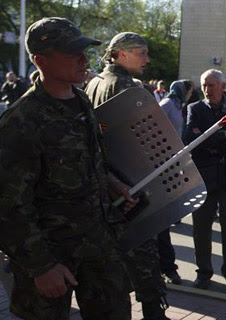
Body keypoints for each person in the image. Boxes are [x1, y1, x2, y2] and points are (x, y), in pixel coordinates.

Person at [0, 17, 134, 319]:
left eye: (83, 50)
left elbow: (87, 159)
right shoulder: (21, 120)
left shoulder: (81, 100)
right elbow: (9, 205)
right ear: (41, 61)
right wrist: (41, 266)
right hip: (51, 255)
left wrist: (111, 183)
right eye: (72, 52)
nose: (83, 59)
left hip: (98, 248)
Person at [85, 31, 172, 320]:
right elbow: (151, 144)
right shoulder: (131, 88)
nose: (147, 59)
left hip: (105, 189)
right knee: (146, 271)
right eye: (142, 52)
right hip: (135, 193)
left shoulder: (94, 83)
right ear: (122, 54)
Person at [183, 69, 226, 293]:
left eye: (211, 85)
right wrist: (224, 137)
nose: (206, 90)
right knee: (201, 229)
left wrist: (210, 139)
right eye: (203, 85)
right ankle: (203, 273)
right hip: (203, 177)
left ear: (222, 87)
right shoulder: (195, 108)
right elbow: (190, 139)